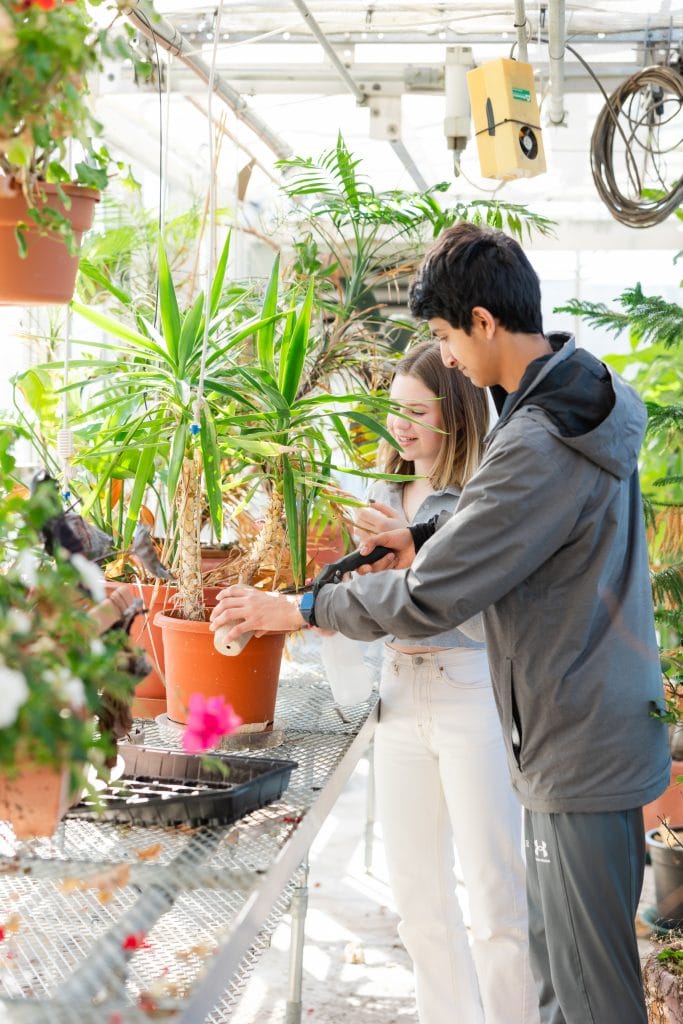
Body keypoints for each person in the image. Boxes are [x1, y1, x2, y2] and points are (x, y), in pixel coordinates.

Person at [210, 222, 672, 1024]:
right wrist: (422, 531)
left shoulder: (538, 436)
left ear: (484, 323)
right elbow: (513, 515)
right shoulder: (571, 393)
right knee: (561, 978)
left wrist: (306, 608)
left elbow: (433, 598)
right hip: (581, 716)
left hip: (576, 734)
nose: (446, 356)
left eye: (444, 335)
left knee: (590, 992)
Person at [350, 340, 537, 1024]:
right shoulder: (379, 492)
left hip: (466, 691)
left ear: (453, 414)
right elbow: (369, 602)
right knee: (418, 903)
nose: (398, 425)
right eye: (391, 409)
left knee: (493, 898)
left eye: (414, 410)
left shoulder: (481, 494)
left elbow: (463, 600)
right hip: (396, 694)